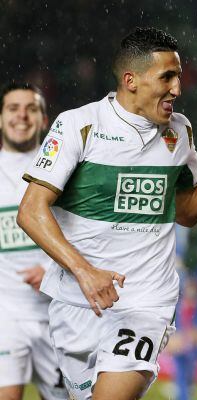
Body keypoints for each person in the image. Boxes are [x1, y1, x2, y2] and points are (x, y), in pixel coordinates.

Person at [17, 27, 197, 400]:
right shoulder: (80, 126)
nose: (177, 89)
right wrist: (85, 272)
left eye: (179, 77)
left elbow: (184, 211)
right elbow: (30, 211)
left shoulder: (179, 133)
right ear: (131, 80)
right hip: (77, 301)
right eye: (167, 77)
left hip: (147, 301)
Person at [0, 83, 68, 400]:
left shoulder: (64, 171)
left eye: (31, 108)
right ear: (1, 118)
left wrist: (50, 269)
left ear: (44, 120)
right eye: (13, 108)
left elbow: (84, 233)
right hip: (7, 312)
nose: (21, 116)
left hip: (60, 312)